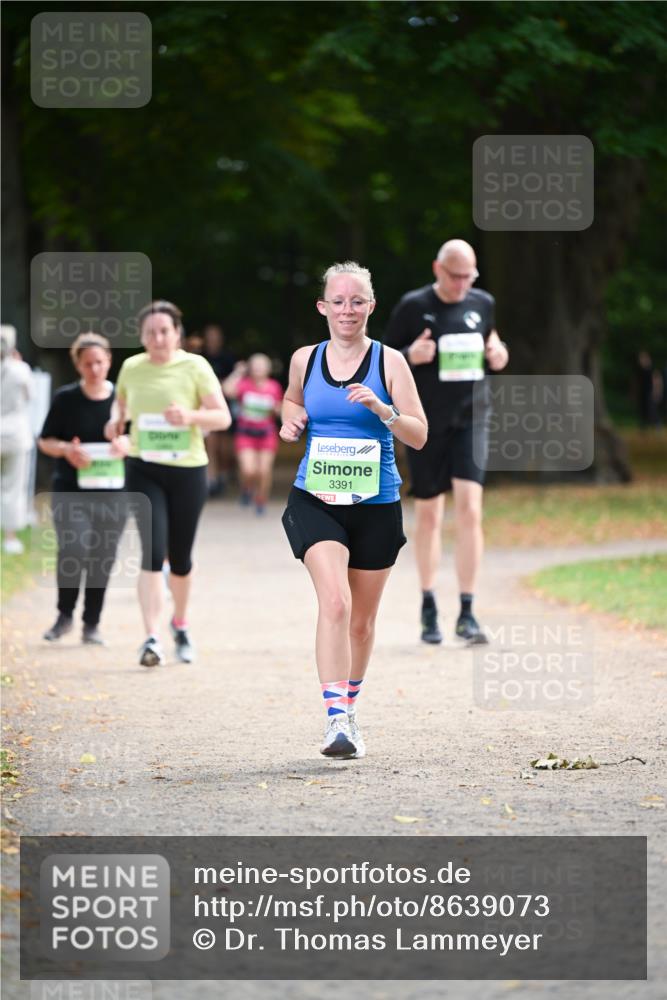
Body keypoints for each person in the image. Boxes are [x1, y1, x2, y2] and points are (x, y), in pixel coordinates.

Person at [280, 262, 427, 759]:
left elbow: (419, 433)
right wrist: (291, 420)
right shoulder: (305, 358)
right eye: (338, 301)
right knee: (335, 604)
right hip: (316, 498)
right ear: (322, 306)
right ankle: (336, 719)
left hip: (376, 503)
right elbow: (290, 401)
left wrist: (383, 411)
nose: (347, 309)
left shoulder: (390, 363)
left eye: (357, 301)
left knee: (361, 622)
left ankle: (351, 710)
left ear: (371, 306)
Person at [384, 239, 509, 645]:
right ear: (438, 268)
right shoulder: (412, 305)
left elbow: (495, 348)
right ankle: (428, 604)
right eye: (455, 276)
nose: (461, 284)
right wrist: (410, 354)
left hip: (472, 418)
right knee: (430, 515)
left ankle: (468, 611)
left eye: (468, 276)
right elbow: (385, 361)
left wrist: (498, 354)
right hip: (426, 423)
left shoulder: (482, 303)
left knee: (471, 509)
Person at [105, 301, 232, 667]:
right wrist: (115, 425)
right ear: (142, 336)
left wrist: (189, 416)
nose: (157, 338)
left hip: (187, 470)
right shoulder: (132, 367)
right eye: (150, 333)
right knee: (151, 549)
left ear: (177, 333)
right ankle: (151, 637)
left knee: (180, 557)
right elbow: (121, 407)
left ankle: (180, 623)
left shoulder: (195, 366)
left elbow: (221, 417)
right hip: (143, 468)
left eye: (164, 331)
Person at [38, 333, 129, 645]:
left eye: (100, 362)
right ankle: (64, 615)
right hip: (71, 489)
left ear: (109, 362)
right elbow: (45, 441)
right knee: (73, 548)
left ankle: (92, 623)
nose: (95, 369)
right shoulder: (65, 398)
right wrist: (66, 450)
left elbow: (139, 441)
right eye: (88, 363)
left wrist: (125, 444)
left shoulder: (122, 400)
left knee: (103, 555)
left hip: (114, 492)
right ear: (77, 364)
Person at [222, 353, 283, 514]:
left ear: (268, 369)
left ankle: (261, 499)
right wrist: (237, 372)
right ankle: (247, 488)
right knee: (248, 469)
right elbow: (227, 391)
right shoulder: (244, 384)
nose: (257, 369)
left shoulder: (274, 386)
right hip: (245, 433)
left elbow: (279, 408)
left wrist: (277, 409)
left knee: (263, 470)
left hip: (266, 434)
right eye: (254, 366)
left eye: (261, 366)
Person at [1, 326, 34, 555]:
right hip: (15, 434)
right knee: (13, 486)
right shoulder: (21, 369)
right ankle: (10, 536)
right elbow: (30, 396)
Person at [201, 323, 236, 497]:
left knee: (224, 449)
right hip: (207, 407)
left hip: (227, 406)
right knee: (211, 446)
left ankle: (223, 475)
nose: (212, 340)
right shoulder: (201, 357)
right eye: (209, 337)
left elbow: (232, 385)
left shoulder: (228, 357)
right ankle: (212, 480)